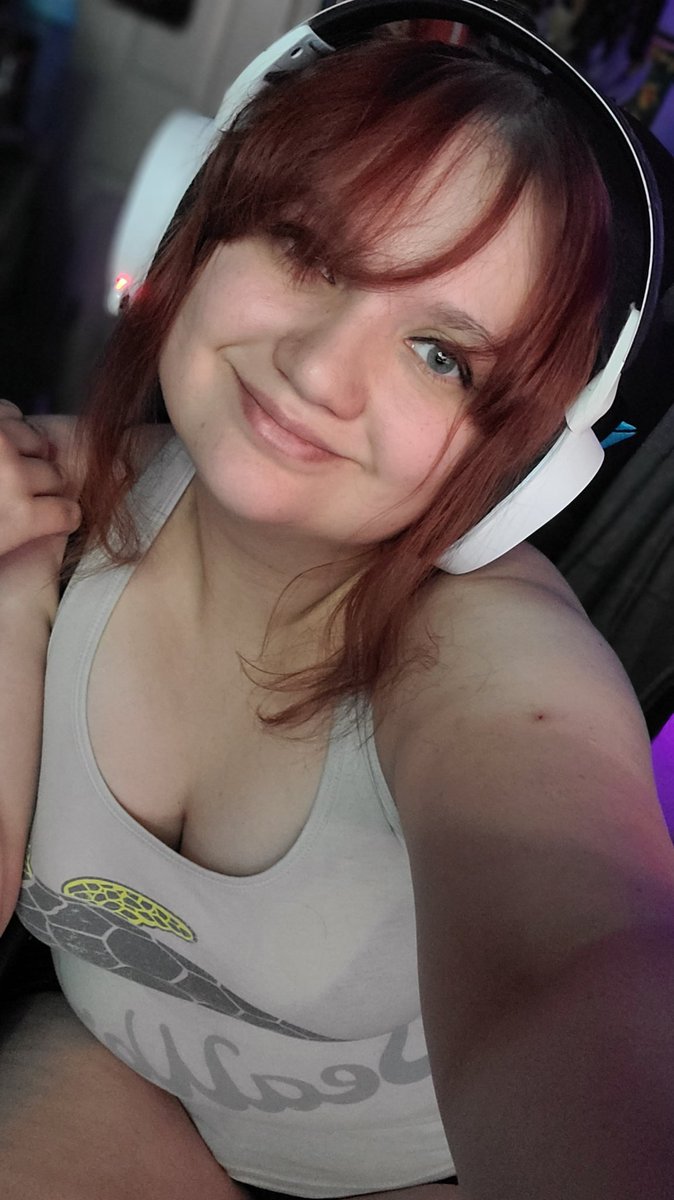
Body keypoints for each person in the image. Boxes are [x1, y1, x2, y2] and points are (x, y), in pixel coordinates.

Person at [0, 16, 674, 1200]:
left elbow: (572, 966)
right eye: (308, 251)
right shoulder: (36, 500)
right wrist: (9, 600)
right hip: (124, 1083)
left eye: (440, 355)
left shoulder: (489, 666)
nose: (317, 369)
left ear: (524, 464)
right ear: (194, 225)